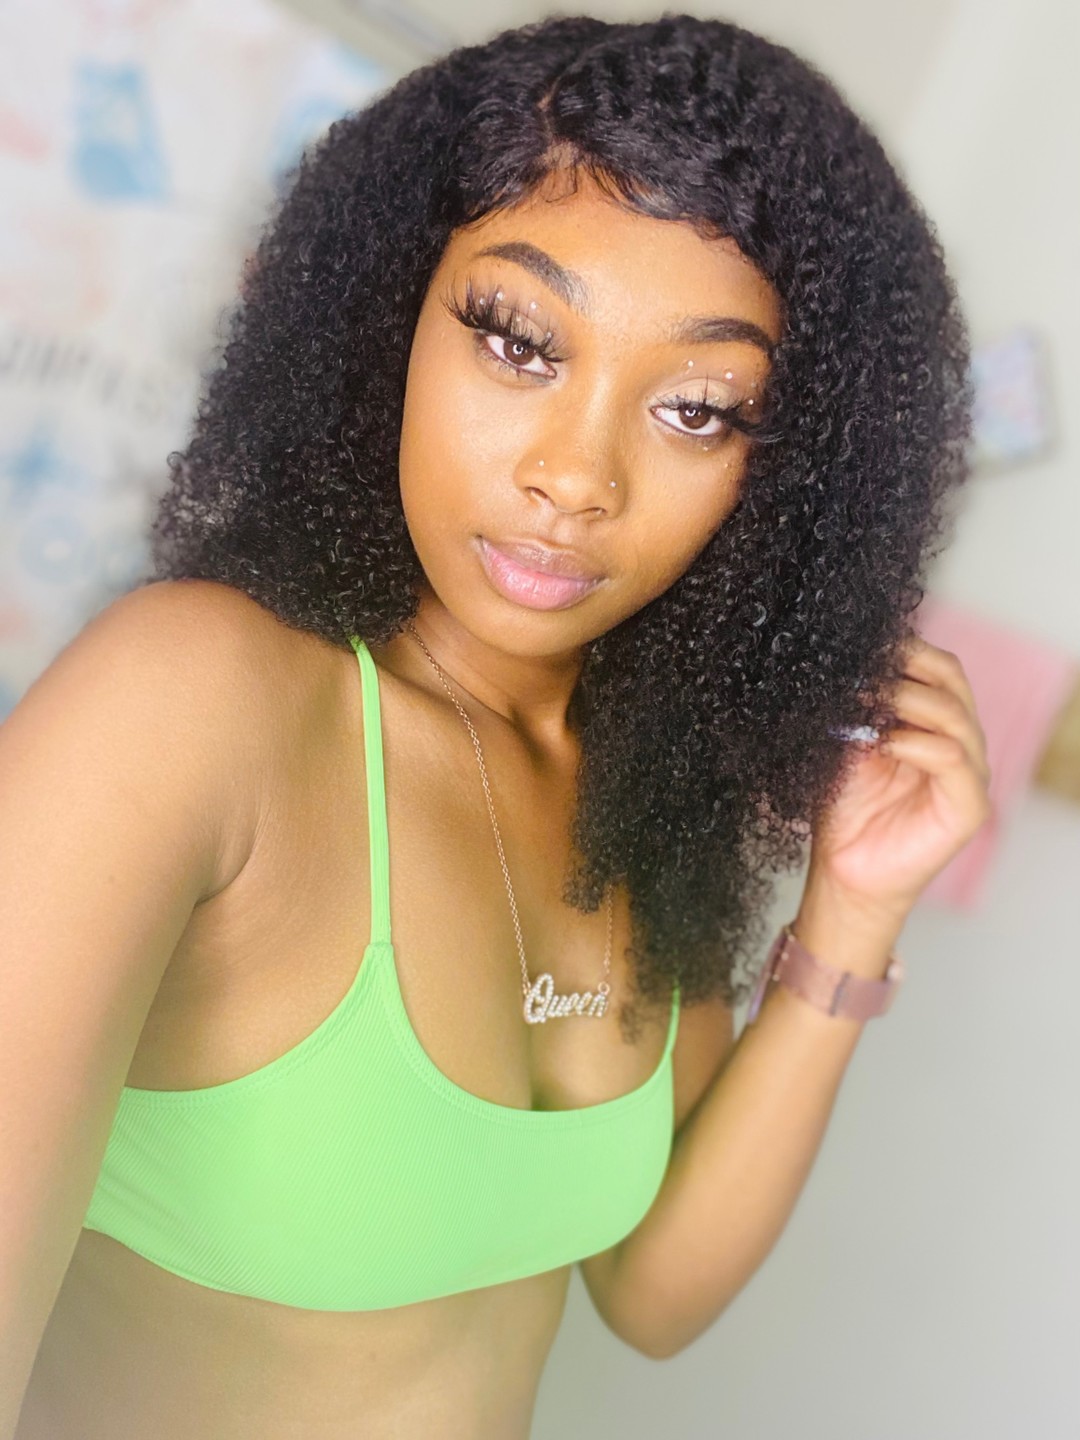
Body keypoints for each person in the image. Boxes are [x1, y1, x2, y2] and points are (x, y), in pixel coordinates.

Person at [2, 13, 991, 1439]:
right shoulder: (193, 702)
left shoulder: (646, 793)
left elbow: (652, 1294)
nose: (576, 477)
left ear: (783, 479)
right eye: (520, 343)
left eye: (698, 410)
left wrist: (853, 913)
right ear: (388, 316)